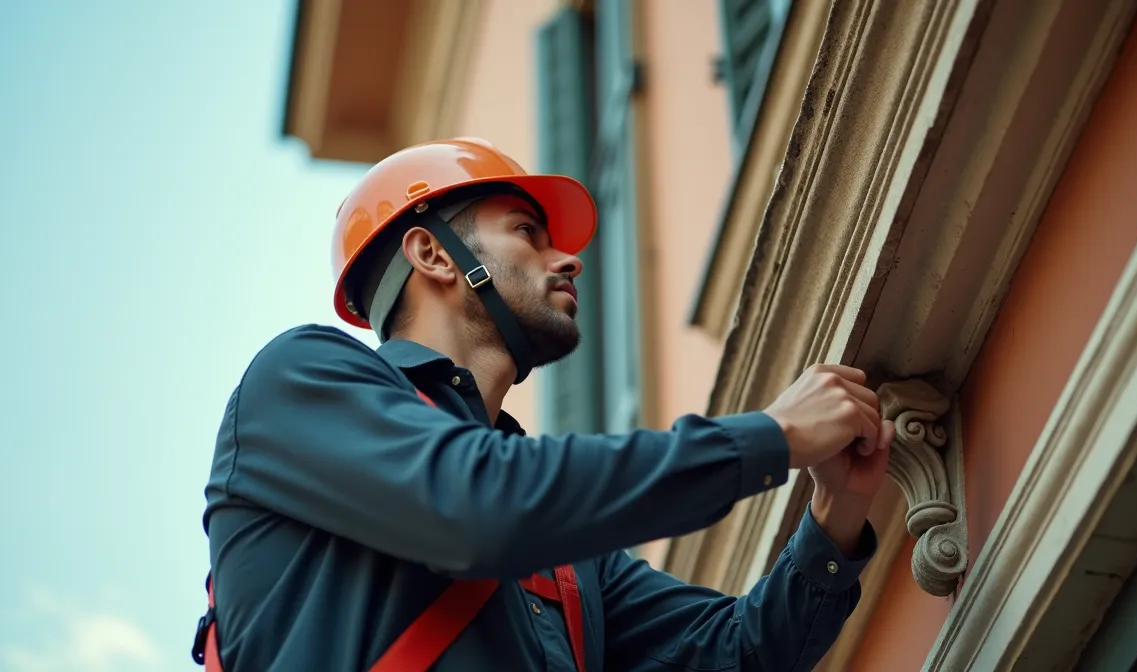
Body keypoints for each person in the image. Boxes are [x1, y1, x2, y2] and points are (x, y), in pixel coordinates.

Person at [193, 137, 896, 671]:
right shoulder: (301, 377)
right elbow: (477, 504)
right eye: (528, 231)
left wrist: (835, 522)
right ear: (433, 255)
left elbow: (737, 652)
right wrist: (770, 437)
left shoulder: (568, 559)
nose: (569, 258)